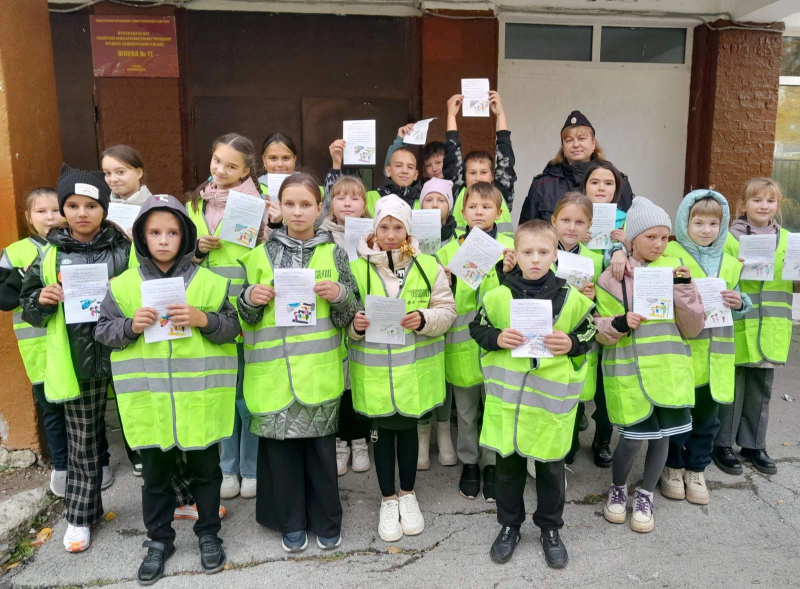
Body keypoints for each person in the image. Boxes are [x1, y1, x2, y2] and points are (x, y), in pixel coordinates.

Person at [95, 194, 239, 583]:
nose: (163, 240)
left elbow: (232, 328)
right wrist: (130, 326)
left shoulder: (210, 282)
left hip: (199, 399)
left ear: (185, 236)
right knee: (155, 478)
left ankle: (208, 534)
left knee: (206, 471)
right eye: (154, 232)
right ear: (141, 236)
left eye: (172, 232)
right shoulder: (123, 286)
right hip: (150, 401)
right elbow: (102, 331)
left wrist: (203, 319)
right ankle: (159, 540)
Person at [238, 173, 359, 553]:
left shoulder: (335, 254)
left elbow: (350, 314)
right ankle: (290, 522)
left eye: (306, 204)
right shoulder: (258, 256)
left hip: (318, 374)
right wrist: (249, 298)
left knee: (321, 456)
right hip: (273, 375)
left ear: (319, 207)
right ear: (278, 207)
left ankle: (326, 521)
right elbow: (241, 318)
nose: (297, 211)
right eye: (289, 204)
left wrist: (340, 295)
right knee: (282, 456)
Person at [469, 220, 595, 567]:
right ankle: (509, 525)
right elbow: (476, 328)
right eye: (527, 252)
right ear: (517, 254)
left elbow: (589, 334)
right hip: (509, 405)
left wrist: (571, 343)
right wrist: (497, 338)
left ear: (555, 255)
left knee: (551, 471)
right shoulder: (497, 296)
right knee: (507, 471)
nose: (535, 259)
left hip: (549, 406)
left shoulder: (572, 298)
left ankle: (550, 528)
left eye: (543, 252)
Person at [20, 165, 131, 552]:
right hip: (79, 362)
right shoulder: (50, 255)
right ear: (64, 209)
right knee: (83, 442)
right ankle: (81, 516)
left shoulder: (127, 249)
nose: (82, 213)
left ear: (104, 209)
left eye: (91, 205)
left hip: (128, 353)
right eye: (72, 205)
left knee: (152, 429)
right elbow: (30, 308)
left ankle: (180, 498)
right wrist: (42, 299)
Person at [348, 195, 456, 542]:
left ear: (408, 231)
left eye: (398, 227)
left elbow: (447, 311)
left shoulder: (428, 265)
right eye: (384, 227)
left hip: (413, 374)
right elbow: (343, 319)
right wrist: (356, 326)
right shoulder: (356, 268)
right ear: (374, 230)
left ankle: (408, 495)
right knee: (380, 436)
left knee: (408, 432)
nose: (391, 234)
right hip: (376, 375)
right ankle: (388, 499)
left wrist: (423, 319)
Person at [594, 197, 704, 534]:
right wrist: (619, 323)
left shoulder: (676, 272)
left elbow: (694, 327)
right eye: (650, 237)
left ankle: (645, 495)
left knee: (662, 438)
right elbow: (599, 329)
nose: (658, 244)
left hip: (668, 372)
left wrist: (684, 288)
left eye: (663, 237)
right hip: (630, 373)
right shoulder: (611, 277)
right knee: (630, 438)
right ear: (632, 238)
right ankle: (617, 487)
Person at [188, 133, 265, 500]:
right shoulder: (195, 202)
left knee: (246, 398)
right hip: (206, 312)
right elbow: (179, 257)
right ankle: (227, 466)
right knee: (220, 395)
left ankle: (250, 468)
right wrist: (197, 249)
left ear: (246, 171)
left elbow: (267, 256)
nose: (220, 169)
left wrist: (269, 228)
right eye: (217, 160)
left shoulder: (256, 204)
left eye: (231, 166)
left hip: (245, 311)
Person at [661, 190, 749, 505]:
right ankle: (672, 466)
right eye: (698, 222)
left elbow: (739, 299)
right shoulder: (669, 255)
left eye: (713, 223)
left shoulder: (731, 262)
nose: (706, 229)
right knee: (677, 415)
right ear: (685, 223)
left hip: (716, 356)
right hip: (683, 352)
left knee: (708, 419)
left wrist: (741, 302)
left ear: (722, 226)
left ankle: (697, 468)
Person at [437, 182, 514, 500]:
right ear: (462, 211)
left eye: (486, 207)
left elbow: (522, 294)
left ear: (499, 212)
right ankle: (469, 462)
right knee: (466, 412)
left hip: (499, 346)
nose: (479, 212)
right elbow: (439, 300)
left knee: (495, 408)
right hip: (463, 346)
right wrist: (447, 281)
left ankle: (492, 464)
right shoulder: (447, 251)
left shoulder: (511, 248)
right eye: (472, 206)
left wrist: (509, 273)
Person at [713, 178, 794, 476]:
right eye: (757, 200)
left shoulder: (789, 240)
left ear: (778, 205)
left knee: (761, 390)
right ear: (743, 204)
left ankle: (753, 445)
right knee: (730, 385)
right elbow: (717, 277)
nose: (764, 206)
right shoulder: (728, 239)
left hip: (772, 327)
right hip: (738, 324)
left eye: (770, 201)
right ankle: (721, 444)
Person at [0, 188, 66, 496]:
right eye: (41, 211)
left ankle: (97, 461)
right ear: (29, 217)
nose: (50, 217)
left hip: (72, 343)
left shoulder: (75, 246)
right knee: (51, 408)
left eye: (56, 210)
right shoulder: (15, 252)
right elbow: (3, 298)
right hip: (37, 346)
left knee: (82, 408)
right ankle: (62, 465)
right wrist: (25, 278)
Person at [319, 174, 372, 475]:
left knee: (359, 380)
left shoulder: (374, 235)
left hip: (364, 317)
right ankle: (339, 441)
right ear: (330, 204)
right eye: (340, 197)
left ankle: (360, 439)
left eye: (355, 198)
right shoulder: (321, 236)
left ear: (365, 204)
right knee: (338, 382)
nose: (347, 203)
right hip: (331, 317)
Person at [578, 160, 630, 466]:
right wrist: (575, 238)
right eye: (594, 182)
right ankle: (573, 430)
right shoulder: (576, 215)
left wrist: (625, 246)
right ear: (584, 187)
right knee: (579, 370)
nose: (601, 188)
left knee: (605, 378)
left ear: (616, 189)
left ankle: (603, 437)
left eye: (608, 183)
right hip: (580, 305)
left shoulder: (627, 221)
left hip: (610, 310)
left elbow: (646, 257)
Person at [549, 193, 603, 466]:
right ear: (553, 221)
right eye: (566, 220)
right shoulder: (541, 252)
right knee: (547, 397)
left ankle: (568, 447)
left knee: (574, 398)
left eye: (580, 222)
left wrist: (594, 298)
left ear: (589, 226)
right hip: (548, 336)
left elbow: (603, 306)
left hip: (578, 339)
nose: (572, 227)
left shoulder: (595, 259)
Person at [519, 111, 634, 225]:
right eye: (569, 140)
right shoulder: (542, 185)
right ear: (563, 146)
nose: (576, 145)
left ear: (593, 143)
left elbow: (631, 227)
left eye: (582, 138)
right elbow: (527, 230)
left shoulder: (618, 182)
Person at [416, 177, 459, 471]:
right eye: (428, 199)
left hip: (451, 317)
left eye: (441, 200)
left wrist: (453, 279)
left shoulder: (460, 240)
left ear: (450, 206)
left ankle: (443, 432)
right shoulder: (409, 239)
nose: (434, 205)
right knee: (422, 373)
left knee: (445, 375)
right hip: (420, 317)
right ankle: (422, 435)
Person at [443, 92, 515, 236]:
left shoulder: (501, 192)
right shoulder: (457, 192)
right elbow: (452, 157)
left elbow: (505, 157)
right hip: (463, 250)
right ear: (464, 176)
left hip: (501, 251)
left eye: (483, 172)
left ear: (493, 176)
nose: (478, 178)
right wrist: (451, 115)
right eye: (472, 173)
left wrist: (500, 114)